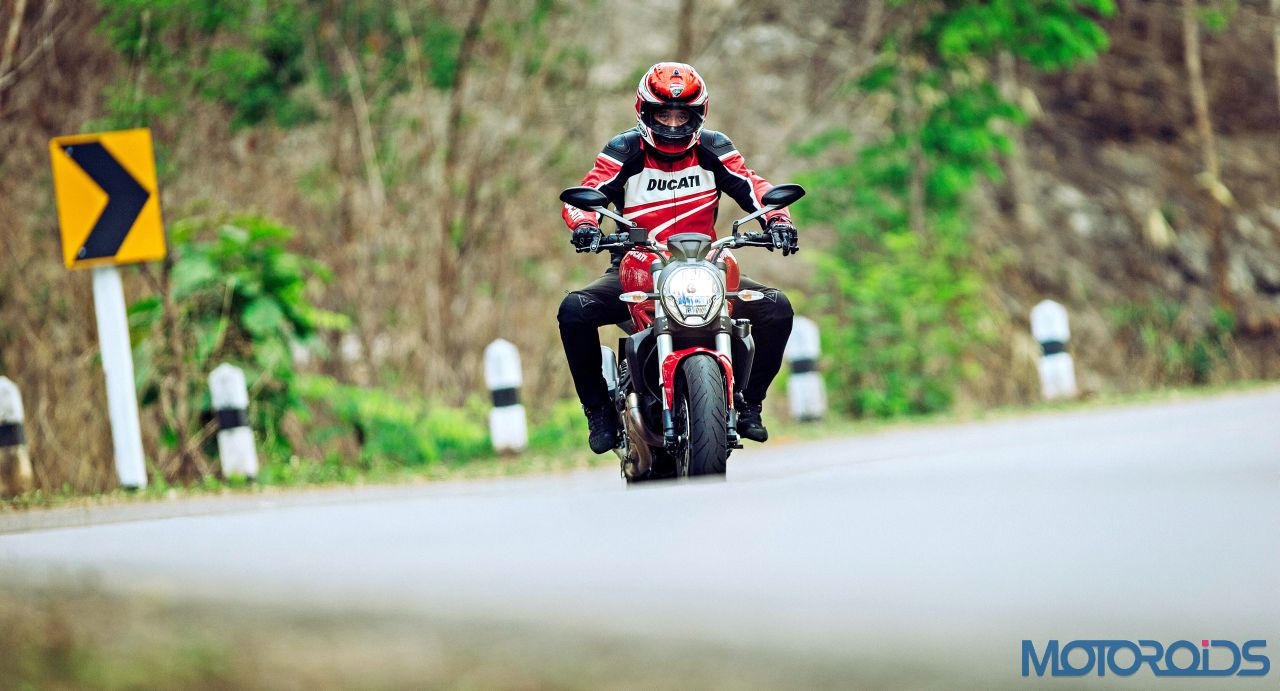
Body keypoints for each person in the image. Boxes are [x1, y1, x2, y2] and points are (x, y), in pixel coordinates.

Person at [558, 61, 799, 454]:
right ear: (645, 112)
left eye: (682, 115)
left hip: (707, 265)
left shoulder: (714, 148)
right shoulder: (624, 150)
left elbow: (754, 186)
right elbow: (588, 193)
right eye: (663, 115)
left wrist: (778, 220)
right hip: (636, 266)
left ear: (698, 115)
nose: (672, 125)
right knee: (573, 311)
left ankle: (749, 403)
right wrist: (585, 224)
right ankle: (598, 411)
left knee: (777, 308)